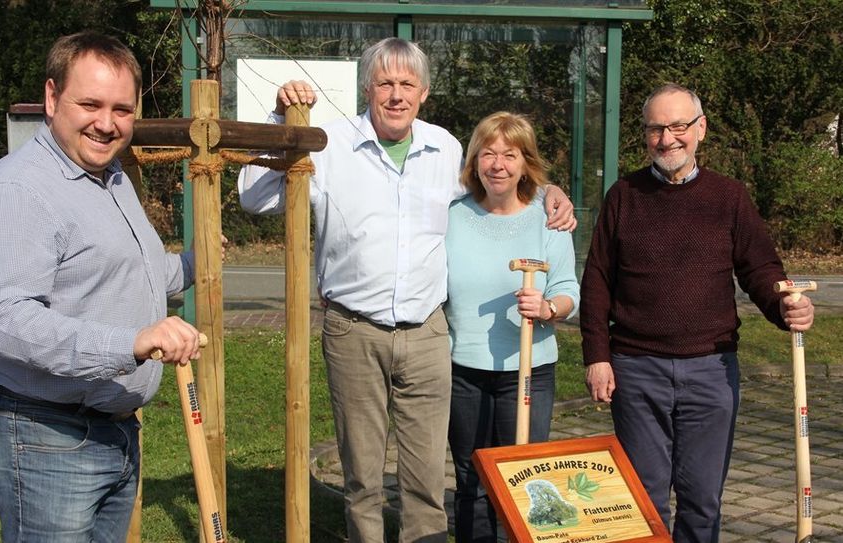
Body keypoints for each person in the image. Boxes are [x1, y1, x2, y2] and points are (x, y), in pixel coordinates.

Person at [239, 38, 576, 542]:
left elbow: (497, 183)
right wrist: (282, 124)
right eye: (385, 83)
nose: (396, 95)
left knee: (424, 475)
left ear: (424, 93)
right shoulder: (326, 144)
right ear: (367, 89)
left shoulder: (443, 148)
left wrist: (550, 191)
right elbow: (252, 197)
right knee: (363, 472)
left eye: (407, 84)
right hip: (354, 331)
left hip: (426, 335)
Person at [0, 31, 204, 542]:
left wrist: (197, 265)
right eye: (89, 104)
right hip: (42, 434)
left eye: (121, 109)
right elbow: (6, 319)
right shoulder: (18, 190)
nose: (106, 122)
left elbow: (126, 275)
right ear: (52, 98)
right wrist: (130, 344)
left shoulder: (109, 180)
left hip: (107, 432)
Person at [579, 83, 815, 543]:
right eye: (656, 129)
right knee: (642, 501)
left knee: (702, 501)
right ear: (645, 135)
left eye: (679, 126)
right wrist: (597, 355)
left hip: (711, 370)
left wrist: (785, 306)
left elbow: (761, 268)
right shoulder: (623, 195)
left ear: (700, 129)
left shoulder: (730, 197)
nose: (668, 138)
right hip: (636, 370)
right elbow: (598, 281)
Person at [444, 111, 580, 542]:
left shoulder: (549, 217)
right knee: (471, 479)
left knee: (524, 479)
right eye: (488, 154)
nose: (498, 165)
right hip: (462, 368)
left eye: (510, 155)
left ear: (525, 163)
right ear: (475, 160)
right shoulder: (452, 215)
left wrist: (548, 309)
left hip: (528, 370)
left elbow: (568, 289)